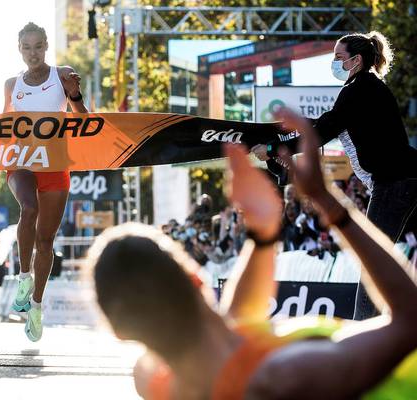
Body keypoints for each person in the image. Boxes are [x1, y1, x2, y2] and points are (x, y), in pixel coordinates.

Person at [87, 108, 417, 399]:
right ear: (196, 278)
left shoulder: (157, 382)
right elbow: (409, 320)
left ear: (121, 332)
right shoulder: (285, 376)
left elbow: (237, 322)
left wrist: (262, 235)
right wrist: (328, 202)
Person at [251, 31, 417, 319]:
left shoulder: (359, 90)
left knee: (372, 262)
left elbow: (319, 132)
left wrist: (272, 147)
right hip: (406, 180)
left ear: (356, 60)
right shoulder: (367, 88)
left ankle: (363, 335)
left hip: (395, 184)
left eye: (339, 57)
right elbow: (321, 127)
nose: (334, 63)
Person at [0, 22, 88, 341]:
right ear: (19, 49)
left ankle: (37, 306)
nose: (33, 53)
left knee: (45, 241)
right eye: (26, 47)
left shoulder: (63, 74)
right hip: (22, 162)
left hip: (55, 164)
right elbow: (3, 125)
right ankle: (23, 276)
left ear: (46, 47)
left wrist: (75, 95)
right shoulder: (12, 83)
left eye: (38, 46)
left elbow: (84, 121)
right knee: (28, 209)